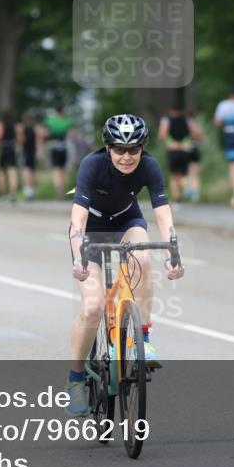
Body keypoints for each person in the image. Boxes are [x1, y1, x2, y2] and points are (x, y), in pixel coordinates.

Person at [65, 114, 184, 417]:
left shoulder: (150, 166)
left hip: (126, 221)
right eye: (119, 149)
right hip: (90, 231)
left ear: (143, 148)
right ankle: (76, 379)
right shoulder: (92, 165)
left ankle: (142, 339)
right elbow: (77, 220)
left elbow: (162, 213)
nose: (127, 157)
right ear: (107, 148)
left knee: (142, 258)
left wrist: (173, 251)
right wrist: (79, 257)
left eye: (134, 150)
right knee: (93, 307)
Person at [157, 104, 200, 204]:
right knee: (184, 173)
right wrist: (186, 141)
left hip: (173, 149)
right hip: (185, 149)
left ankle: (177, 198)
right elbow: (195, 133)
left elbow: (162, 134)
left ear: (170, 110)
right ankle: (187, 188)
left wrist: (170, 142)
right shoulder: (186, 119)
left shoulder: (166, 119)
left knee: (174, 175)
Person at [45, 107, 74, 195]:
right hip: (64, 147)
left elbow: (46, 133)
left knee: (56, 169)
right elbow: (71, 134)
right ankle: (63, 189)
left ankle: (58, 189)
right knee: (63, 169)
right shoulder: (67, 122)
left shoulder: (50, 121)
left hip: (54, 147)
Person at [0, 110, 19, 200]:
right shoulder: (14, 125)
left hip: (4, 147)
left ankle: (3, 192)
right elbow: (18, 138)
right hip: (12, 147)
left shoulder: (0, 124)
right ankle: (13, 193)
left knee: (1, 171)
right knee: (12, 170)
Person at [17, 111, 40, 199]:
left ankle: (28, 190)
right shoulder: (34, 128)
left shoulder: (23, 128)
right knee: (33, 171)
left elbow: (21, 141)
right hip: (33, 151)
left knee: (26, 170)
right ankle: (33, 190)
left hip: (26, 151)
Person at [185, 109, 205, 202]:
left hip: (183, 148)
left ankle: (188, 190)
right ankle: (194, 193)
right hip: (194, 147)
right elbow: (200, 135)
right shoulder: (194, 123)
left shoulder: (182, 122)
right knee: (195, 172)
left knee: (186, 172)